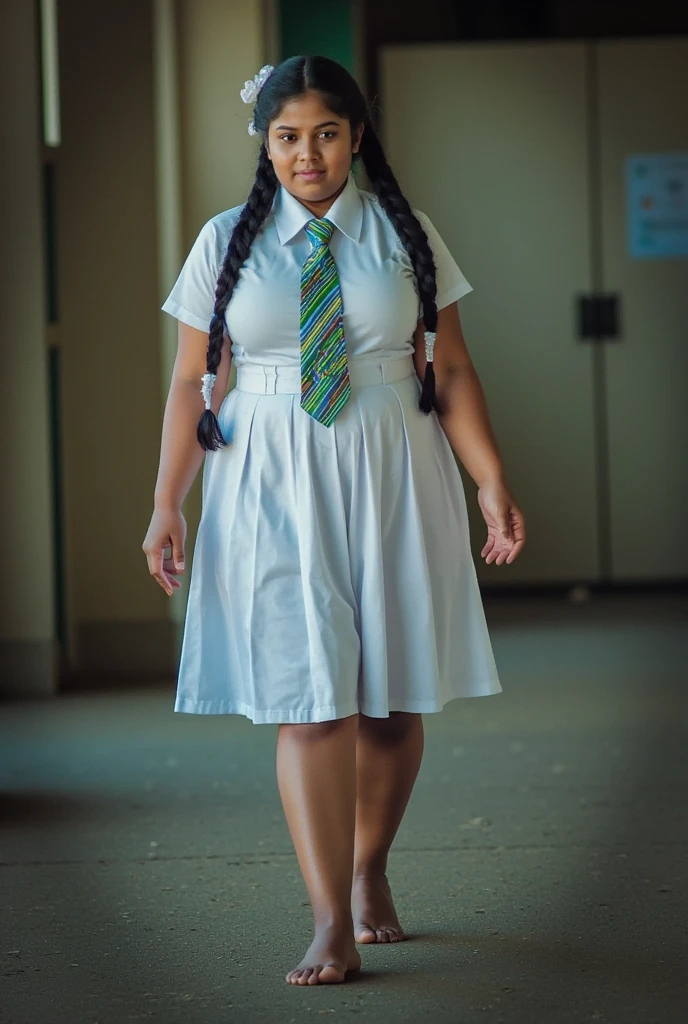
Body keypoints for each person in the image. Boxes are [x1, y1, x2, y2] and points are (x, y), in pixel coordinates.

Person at [142, 54, 526, 987]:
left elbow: (455, 370)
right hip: (271, 477)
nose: (306, 154)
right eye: (286, 136)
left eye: (324, 133)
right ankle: (327, 920)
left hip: (393, 463)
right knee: (309, 695)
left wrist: (489, 478)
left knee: (391, 699)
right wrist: (166, 503)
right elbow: (195, 382)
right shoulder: (224, 240)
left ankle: (368, 868)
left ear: (356, 135)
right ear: (263, 143)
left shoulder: (408, 235)